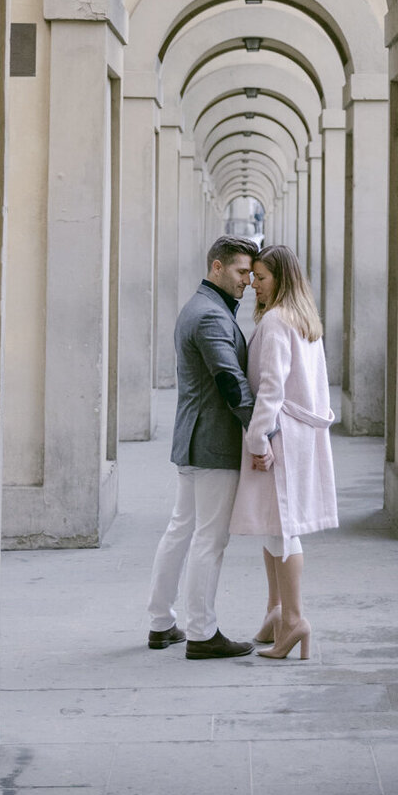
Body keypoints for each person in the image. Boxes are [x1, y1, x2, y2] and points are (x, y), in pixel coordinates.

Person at [146, 236, 258, 659]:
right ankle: (201, 632)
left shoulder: (198, 307)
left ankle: (161, 623)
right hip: (213, 443)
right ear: (217, 267)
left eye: (250, 273)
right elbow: (230, 382)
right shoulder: (211, 316)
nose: (247, 281)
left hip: (192, 440)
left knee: (181, 529)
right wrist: (262, 433)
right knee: (210, 538)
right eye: (241, 271)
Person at [229, 244, 338, 660]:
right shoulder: (303, 319)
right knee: (274, 525)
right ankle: (276, 611)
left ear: (281, 279)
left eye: (262, 278)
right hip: (298, 436)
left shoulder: (276, 321)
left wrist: (258, 442)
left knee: (282, 528)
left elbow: (270, 390)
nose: (253, 285)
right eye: (253, 277)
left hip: (280, 438)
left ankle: (293, 619)